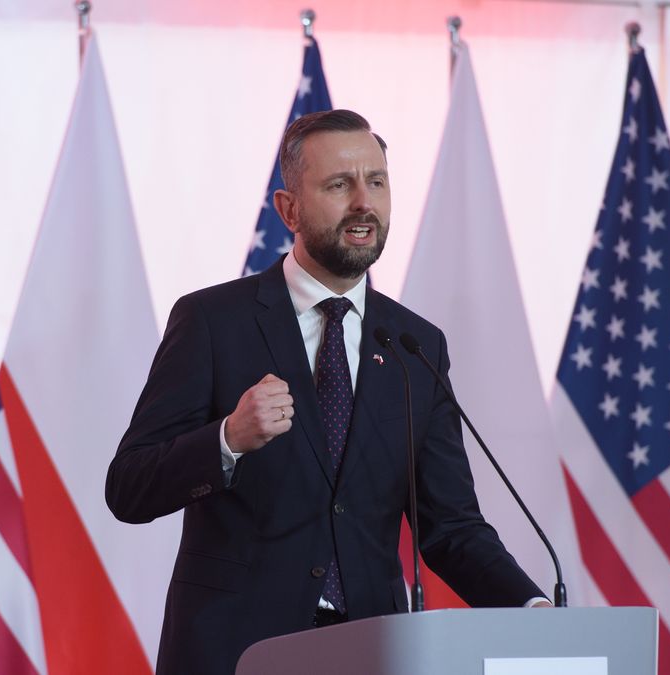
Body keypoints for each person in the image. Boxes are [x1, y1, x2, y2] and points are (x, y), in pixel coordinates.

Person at [106, 109, 544, 675]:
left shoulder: (416, 345)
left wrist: (532, 608)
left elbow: (452, 527)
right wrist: (227, 440)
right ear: (288, 209)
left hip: (369, 653)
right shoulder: (214, 322)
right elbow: (129, 487)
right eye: (340, 185)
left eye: (377, 182)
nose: (364, 202)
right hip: (234, 652)